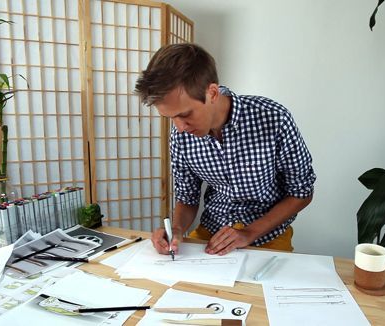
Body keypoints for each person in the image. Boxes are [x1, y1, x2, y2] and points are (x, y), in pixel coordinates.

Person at [135, 43, 315, 256]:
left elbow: (301, 192)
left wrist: (248, 233)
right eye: (170, 118)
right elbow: (187, 197)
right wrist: (176, 229)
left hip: (268, 236)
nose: (179, 127)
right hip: (211, 234)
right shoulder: (181, 134)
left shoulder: (273, 118)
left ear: (212, 93)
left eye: (184, 115)